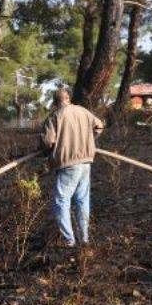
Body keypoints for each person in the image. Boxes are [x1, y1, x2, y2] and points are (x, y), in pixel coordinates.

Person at [41, 88, 104, 248]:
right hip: (86, 163)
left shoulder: (55, 116)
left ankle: (69, 240)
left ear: (55, 102)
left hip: (68, 164)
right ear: (68, 98)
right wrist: (90, 139)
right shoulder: (84, 111)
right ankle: (84, 239)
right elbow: (99, 126)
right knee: (82, 200)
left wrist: (45, 152)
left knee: (61, 200)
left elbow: (48, 142)